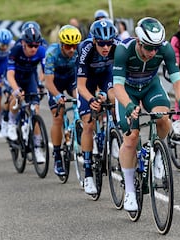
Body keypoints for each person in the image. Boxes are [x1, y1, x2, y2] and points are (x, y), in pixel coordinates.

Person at [113, 17, 180, 211]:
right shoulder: (124, 50)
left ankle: (157, 155)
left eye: (156, 48)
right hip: (127, 91)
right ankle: (130, 190)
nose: (153, 53)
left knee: (163, 118)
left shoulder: (164, 49)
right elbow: (117, 86)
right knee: (131, 137)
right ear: (139, 41)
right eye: (148, 47)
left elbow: (177, 80)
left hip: (150, 87)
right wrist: (129, 105)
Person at [77, 19, 117, 194]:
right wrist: (92, 98)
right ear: (94, 41)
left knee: (115, 100)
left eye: (109, 43)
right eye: (101, 43)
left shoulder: (117, 46)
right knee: (89, 123)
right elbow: (80, 86)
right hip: (88, 81)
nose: (106, 47)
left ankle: (115, 133)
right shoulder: (85, 49)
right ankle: (87, 175)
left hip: (106, 77)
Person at [44, 25, 82, 176]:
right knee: (57, 117)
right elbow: (48, 82)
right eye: (68, 46)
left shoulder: (78, 53)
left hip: (72, 80)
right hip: (55, 83)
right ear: (61, 44)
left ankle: (79, 131)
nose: (71, 50)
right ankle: (58, 155)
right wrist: (58, 95)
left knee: (81, 102)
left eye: (74, 46)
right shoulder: (52, 54)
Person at [6, 26, 47, 163]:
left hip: (30, 78)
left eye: (36, 45)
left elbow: (46, 70)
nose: (33, 48)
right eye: (30, 45)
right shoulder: (16, 50)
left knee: (35, 109)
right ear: (23, 43)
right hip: (15, 77)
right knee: (16, 97)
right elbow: (10, 74)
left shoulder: (41, 51)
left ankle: (37, 148)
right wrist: (16, 89)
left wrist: (41, 83)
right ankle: (11, 123)